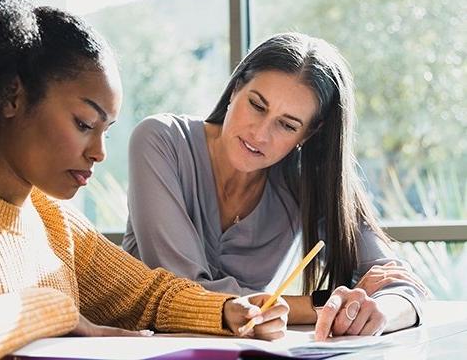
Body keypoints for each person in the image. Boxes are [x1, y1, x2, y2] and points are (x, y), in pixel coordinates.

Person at [0, 0, 290, 360]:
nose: (99, 152)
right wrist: (56, 308)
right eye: (84, 123)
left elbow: (147, 297)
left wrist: (227, 311)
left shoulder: (53, 220)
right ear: (12, 97)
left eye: (106, 130)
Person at [122, 32, 428, 341]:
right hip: (135, 348)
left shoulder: (305, 178)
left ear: (307, 135)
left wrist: (372, 314)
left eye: (287, 125)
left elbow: (401, 286)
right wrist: (323, 304)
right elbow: (185, 294)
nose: (260, 134)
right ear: (236, 88)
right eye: (257, 105)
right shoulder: (160, 140)